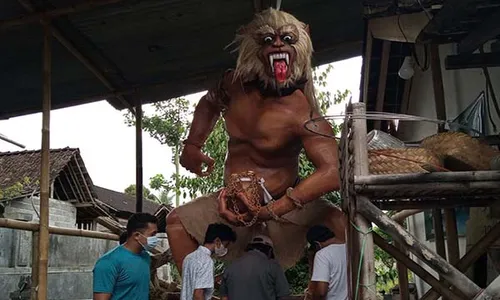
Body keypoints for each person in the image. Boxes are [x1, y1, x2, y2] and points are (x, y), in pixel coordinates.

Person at [166, 7, 345, 274]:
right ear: (252, 45)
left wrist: (275, 208)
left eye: (287, 39)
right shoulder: (233, 85)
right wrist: (193, 145)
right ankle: (199, 293)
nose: (277, 44)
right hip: (231, 202)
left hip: (284, 203)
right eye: (267, 39)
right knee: (175, 222)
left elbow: (332, 171)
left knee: (341, 223)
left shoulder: (302, 111)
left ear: (302, 41)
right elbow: (209, 102)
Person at [93, 213, 159, 300]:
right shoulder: (108, 262)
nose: (155, 238)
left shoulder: (145, 257)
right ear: (137, 235)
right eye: (152, 234)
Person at [220, 234, 290, 300]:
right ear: (270, 251)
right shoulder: (273, 267)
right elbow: (284, 297)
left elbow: (224, 297)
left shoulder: (231, 267)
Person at [181, 223, 237, 300]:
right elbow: (198, 294)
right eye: (225, 245)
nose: (225, 248)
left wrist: (222, 276)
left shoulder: (189, 257)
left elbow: (197, 282)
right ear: (217, 241)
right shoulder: (207, 261)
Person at [305, 225, 347, 300]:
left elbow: (321, 292)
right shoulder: (350, 249)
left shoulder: (322, 255)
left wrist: (312, 296)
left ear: (317, 244)